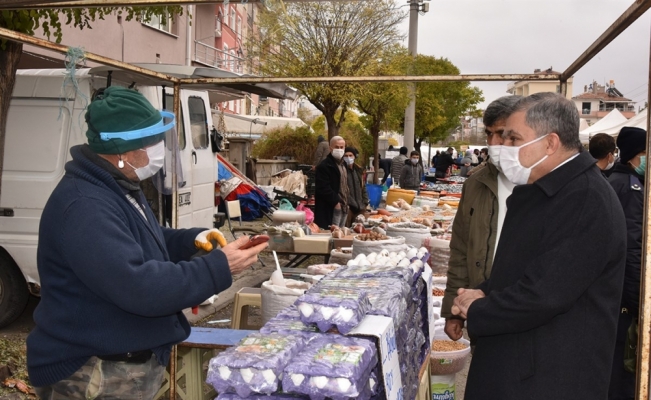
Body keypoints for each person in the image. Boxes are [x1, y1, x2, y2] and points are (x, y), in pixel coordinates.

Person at [26, 87, 267, 399]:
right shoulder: (85, 205)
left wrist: (191, 240)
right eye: (153, 141)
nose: (160, 150)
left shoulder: (116, 184)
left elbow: (137, 237)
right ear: (124, 152)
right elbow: (140, 288)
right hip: (96, 374)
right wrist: (218, 267)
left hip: (118, 364)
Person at [453, 93, 626, 400]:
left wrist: (479, 307)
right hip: (520, 364)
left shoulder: (586, 199)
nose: (504, 148)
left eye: (513, 138)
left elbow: (545, 293)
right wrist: (485, 290)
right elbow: (524, 265)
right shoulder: (549, 188)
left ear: (550, 143)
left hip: (547, 378)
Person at [442, 95, 521, 341]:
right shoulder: (476, 182)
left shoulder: (537, 182)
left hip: (521, 313)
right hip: (480, 311)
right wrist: (453, 310)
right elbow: (460, 249)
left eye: (504, 134)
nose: (494, 143)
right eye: (489, 134)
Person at [607, 126, 646, 400]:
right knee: (624, 365)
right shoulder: (630, 187)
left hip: (616, 289)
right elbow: (634, 246)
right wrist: (637, 300)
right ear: (635, 155)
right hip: (624, 294)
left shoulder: (617, 180)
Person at [315, 136, 348, 229]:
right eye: (336, 147)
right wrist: (336, 202)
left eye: (342, 147)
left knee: (341, 235)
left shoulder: (344, 164)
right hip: (330, 208)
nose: (339, 150)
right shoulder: (324, 166)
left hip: (344, 206)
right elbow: (323, 188)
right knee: (332, 234)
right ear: (330, 148)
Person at [345, 147, 369, 225]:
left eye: (350, 155)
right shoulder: (342, 170)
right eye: (346, 156)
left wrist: (365, 202)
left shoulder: (358, 170)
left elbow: (363, 187)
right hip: (349, 208)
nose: (348, 158)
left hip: (360, 207)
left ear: (354, 156)